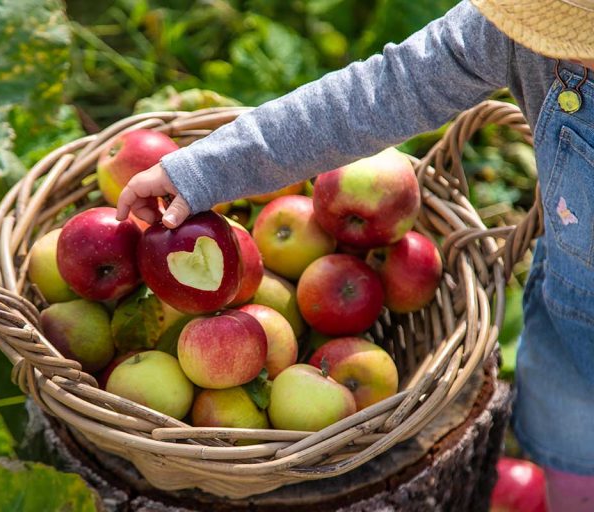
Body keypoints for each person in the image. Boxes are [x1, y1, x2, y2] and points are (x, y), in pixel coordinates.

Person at [115, 0, 594, 510]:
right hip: (573, 323)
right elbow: (377, 93)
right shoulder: (522, 35)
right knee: (574, 460)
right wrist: (203, 171)